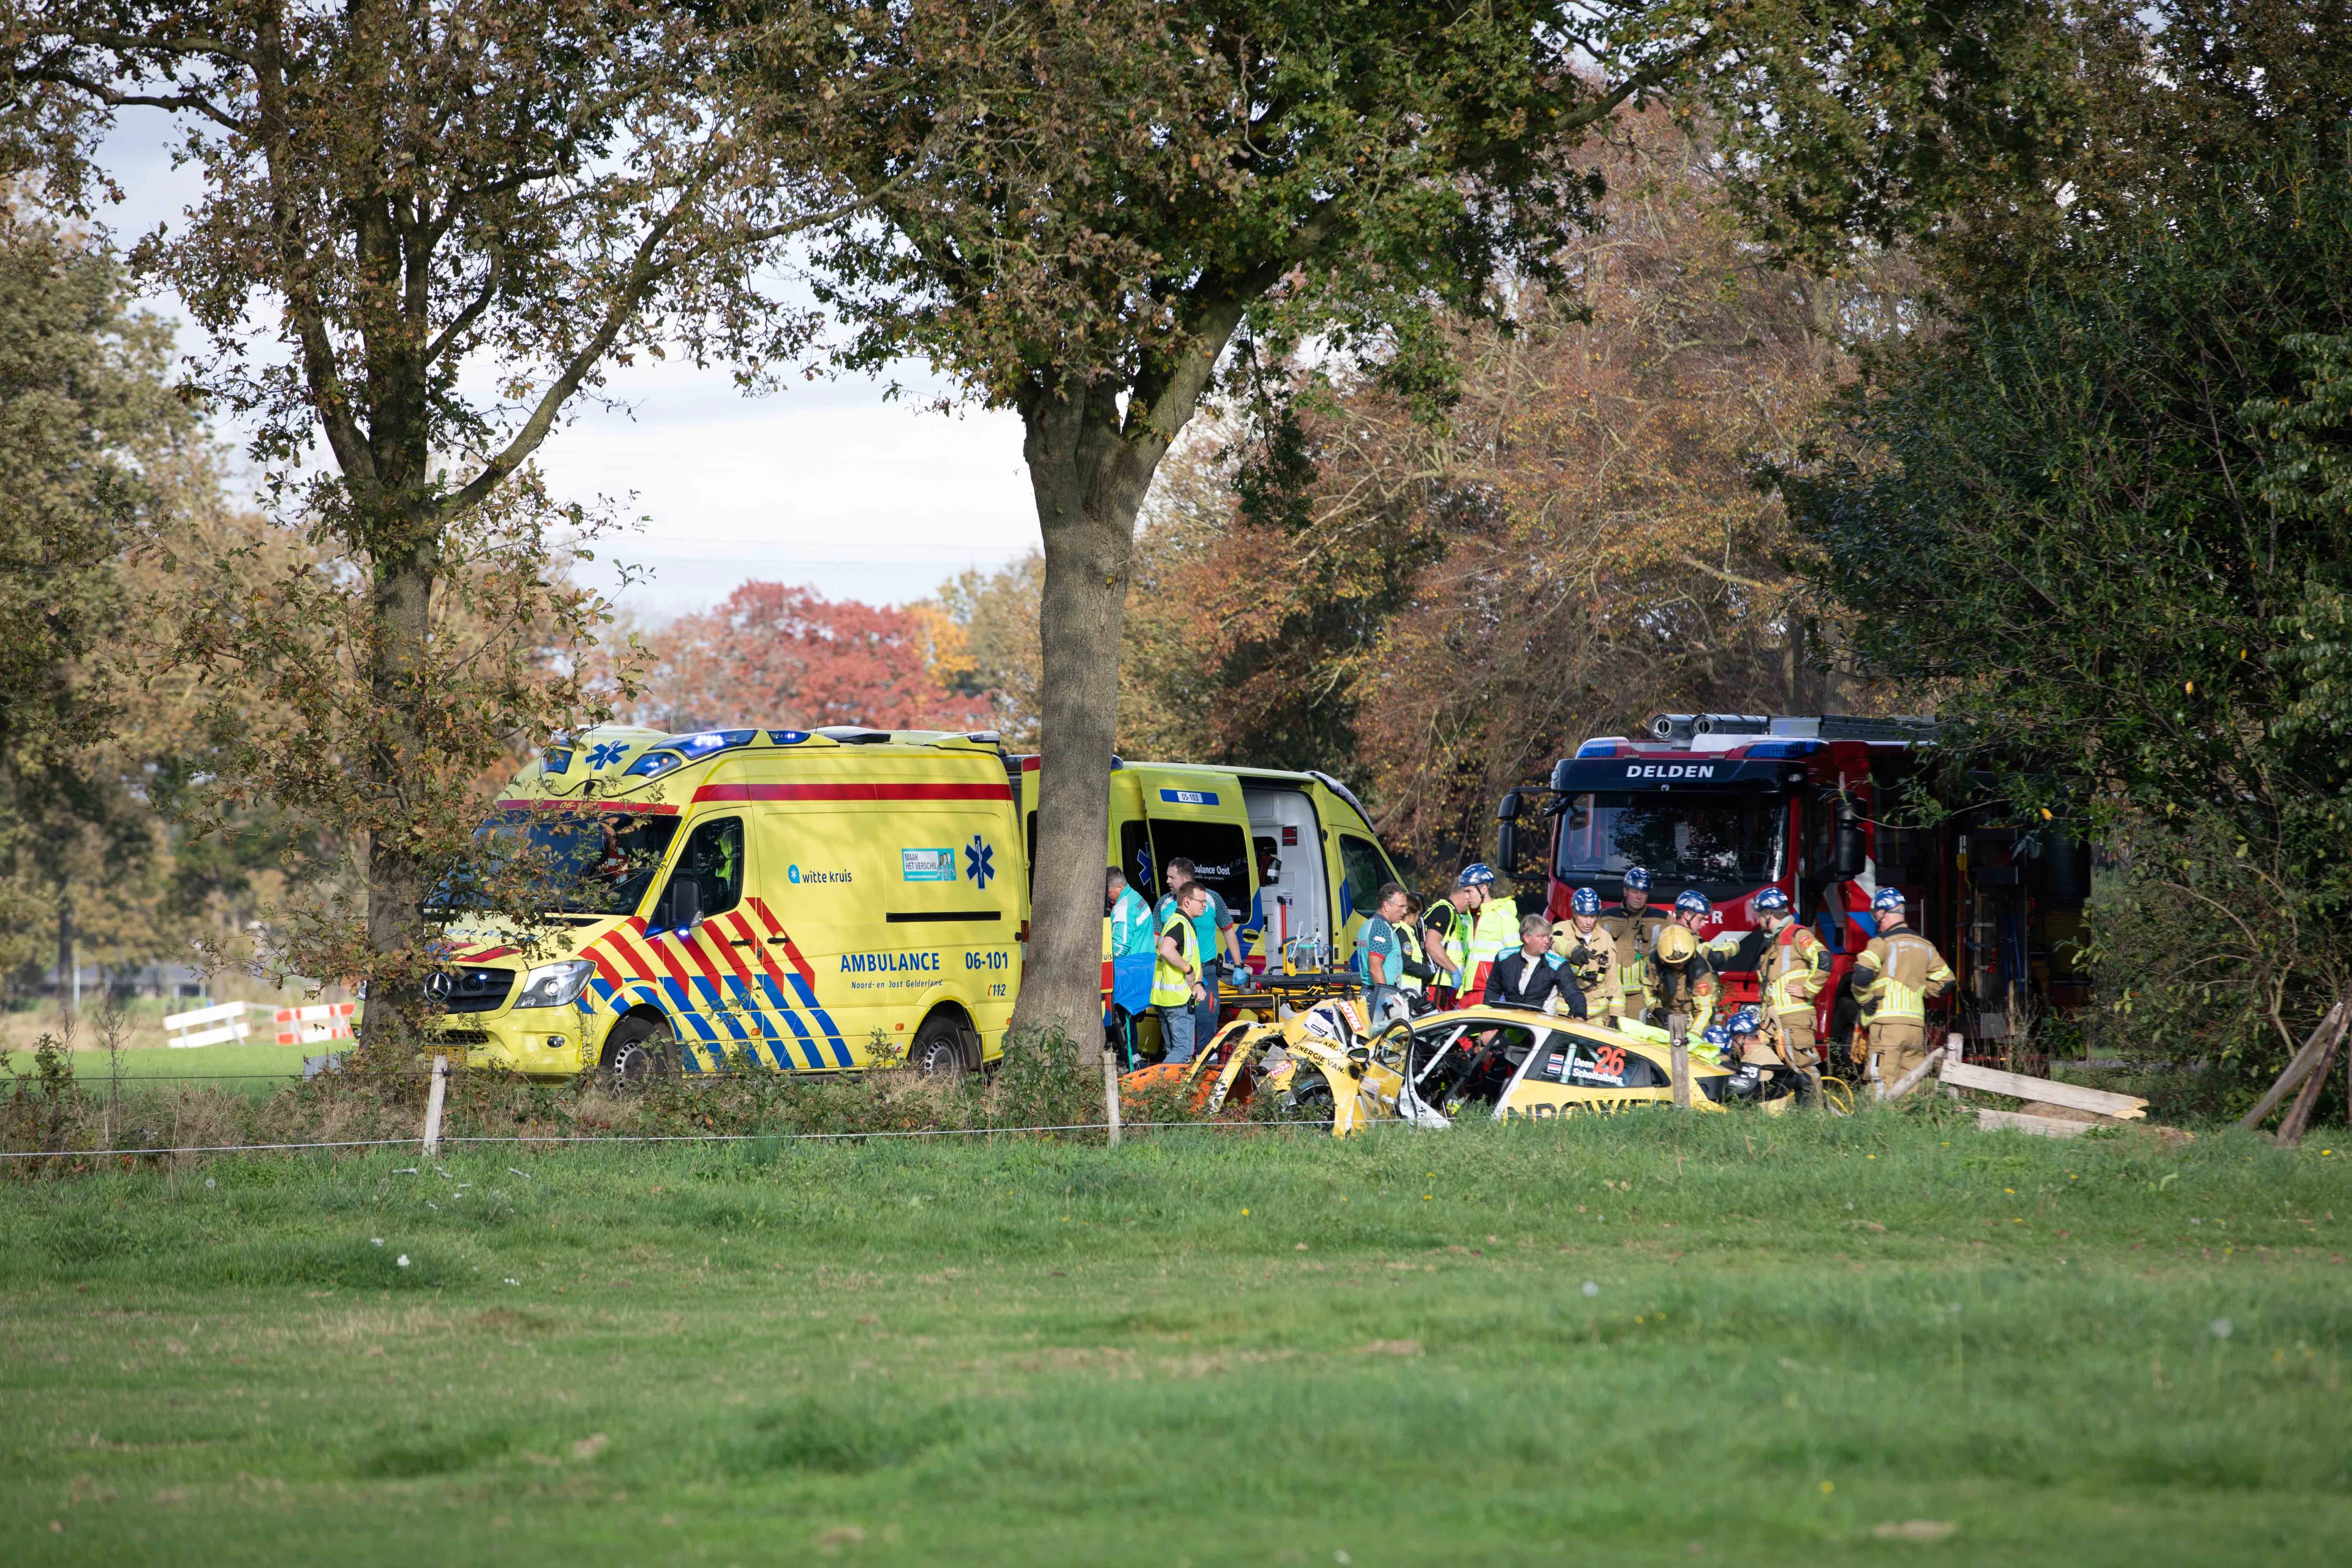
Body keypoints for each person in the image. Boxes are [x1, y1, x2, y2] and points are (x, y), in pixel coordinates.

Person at [1853, 886, 1954, 1098]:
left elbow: (1862, 975)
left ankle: (1879, 1125)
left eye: (1876, 916)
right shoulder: (1925, 946)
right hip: (1915, 1028)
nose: (1876, 921)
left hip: (1887, 1025)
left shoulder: (1881, 943)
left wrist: (1865, 999)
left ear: (1883, 913)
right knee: (1910, 1083)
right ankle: (1906, 1123)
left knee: (1880, 1078)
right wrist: (1920, 991)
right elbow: (1947, 982)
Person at [1752, 886, 1829, 1098]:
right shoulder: (1775, 941)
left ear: (1769, 914)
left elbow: (1824, 960)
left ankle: (1813, 1115)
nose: (1757, 920)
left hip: (1795, 1017)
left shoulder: (1798, 935)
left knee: (1803, 1067)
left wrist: (1808, 990)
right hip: (1775, 1018)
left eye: (1760, 915)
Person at [1158, 857, 1239, 1041]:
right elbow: (1156, 943)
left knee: (1207, 1019)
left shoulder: (1211, 899)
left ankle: (1205, 1063)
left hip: (1207, 970)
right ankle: (1180, 1064)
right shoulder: (1162, 904)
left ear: (1186, 880)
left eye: (1172, 877)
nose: (1167, 881)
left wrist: (1239, 965)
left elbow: (1228, 930)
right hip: (1177, 972)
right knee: (1179, 1025)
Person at [1150, 881, 1213, 1065]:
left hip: (1165, 999)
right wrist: (1188, 969)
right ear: (1187, 901)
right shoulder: (1179, 924)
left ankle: (1169, 1090)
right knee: (1183, 1052)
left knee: (1174, 1051)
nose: (1204, 905)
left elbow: (1192, 957)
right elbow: (1166, 949)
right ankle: (1156, 1087)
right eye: (1201, 901)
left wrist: (1199, 983)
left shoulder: (1181, 923)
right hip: (1177, 1000)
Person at [1482, 913, 1586, 1017]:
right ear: (1527, 938)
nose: (1547, 941)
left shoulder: (1558, 964)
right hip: (1510, 1023)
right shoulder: (1504, 957)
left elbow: (1573, 994)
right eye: (1541, 937)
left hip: (1543, 1025)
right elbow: (1492, 990)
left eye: (1548, 936)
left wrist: (1580, 1016)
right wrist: (1490, 1024)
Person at [1551, 886, 1627, 1023]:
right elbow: (1556, 942)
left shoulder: (1606, 939)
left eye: (1593, 917)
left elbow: (1613, 980)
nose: (1588, 922)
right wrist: (1574, 950)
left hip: (1595, 1014)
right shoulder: (1560, 929)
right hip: (1563, 1011)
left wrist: (1616, 1015)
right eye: (1584, 916)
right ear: (1574, 913)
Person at [1600, 867, 1667, 1021]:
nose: (1639, 897)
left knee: (1636, 1039)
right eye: (1635, 892)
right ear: (1625, 891)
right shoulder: (1606, 917)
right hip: (1608, 991)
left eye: (1643, 893)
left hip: (1641, 995)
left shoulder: (1662, 919)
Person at [1458, 862, 1521, 999]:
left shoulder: (1504, 918)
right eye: (1465, 892)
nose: (1466, 897)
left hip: (1492, 992)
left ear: (1484, 889)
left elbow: (1516, 961)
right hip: (1468, 990)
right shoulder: (1471, 918)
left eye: (1470, 891)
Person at [1356, 881, 1412, 1023]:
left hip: (1371, 992)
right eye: (1401, 907)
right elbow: (1375, 968)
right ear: (1387, 905)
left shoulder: (1369, 924)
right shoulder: (1381, 928)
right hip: (1377, 995)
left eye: (1405, 907)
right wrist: (1387, 1000)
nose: (1404, 912)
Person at [1649, 923, 1718, 1039]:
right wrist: (1656, 1008)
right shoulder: (1654, 961)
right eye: (1673, 963)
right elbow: (1647, 987)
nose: (1679, 965)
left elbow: (1704, 1010)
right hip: (1664, 1024)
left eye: (1683, 962)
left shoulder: (1701, 970)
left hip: (1694, 1025)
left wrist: (1693, 1035)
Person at [1423, 877, 1477, 1006]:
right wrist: (1454, 970)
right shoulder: (1444, 910)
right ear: (1466, 893)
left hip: (1446, 987)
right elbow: (1431, 944)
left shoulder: (1456, 915)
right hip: (1436, 986)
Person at [1107, 867, 1154, 958]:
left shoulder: (1123, 908)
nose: (1107, 896)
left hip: (1131, 967)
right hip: (1146, 962)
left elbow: (1119, 949)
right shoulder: (1135, 897)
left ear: (1119, 887)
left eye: (1109, 892)